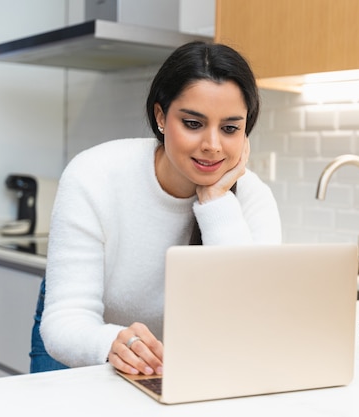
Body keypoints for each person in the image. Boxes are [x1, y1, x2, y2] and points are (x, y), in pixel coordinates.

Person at [29, 41, 282, 376]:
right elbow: (66, 320)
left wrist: (217, 201)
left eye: (230, 128)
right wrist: (112, 343)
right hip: (88, 341)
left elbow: (250, 321)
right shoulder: (94, 174)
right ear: (161, 116)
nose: (213, 145)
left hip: (175, 359)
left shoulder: (253, 198)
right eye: (193, 123)